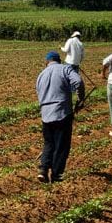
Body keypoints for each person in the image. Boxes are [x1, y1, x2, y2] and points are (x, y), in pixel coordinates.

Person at [35, 51, 84, 183]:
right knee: (62, 145)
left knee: (49, 143)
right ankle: (56, 175)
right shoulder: (65, 69)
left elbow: (38, 93)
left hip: (45, 114)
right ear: (59, 60)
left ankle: (43, 169)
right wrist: (80, 99)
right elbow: (78, 81)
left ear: (47, 62)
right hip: (62, 112)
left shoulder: (41, 74)